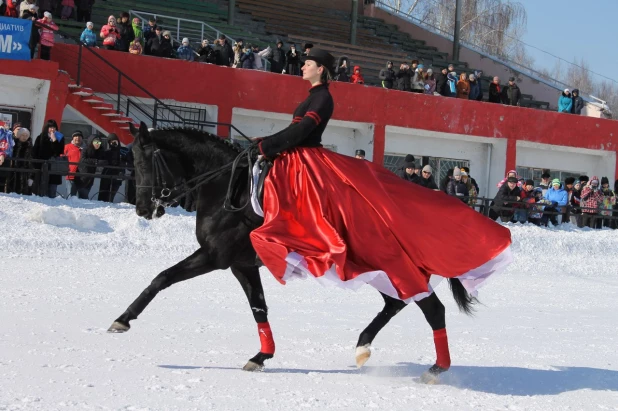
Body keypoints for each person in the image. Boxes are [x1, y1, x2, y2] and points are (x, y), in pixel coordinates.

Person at [249, 50, 512, 376]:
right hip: (299, 163)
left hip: (312, 166)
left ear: (321, 69)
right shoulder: (312, 96)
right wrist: (267, 143)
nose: (302, 65)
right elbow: (293, 134)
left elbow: (301, 134)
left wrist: (265, 145)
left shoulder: (323, 98)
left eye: (308, 62)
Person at [32, 119, 65, 198]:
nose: (52, 129)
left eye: (54, 127)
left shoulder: (60, 137)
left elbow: (59, 152)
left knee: (52, 190)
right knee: (41, 189)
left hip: (54, 166)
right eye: (50, 127)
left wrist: (54, 141)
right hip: (42, 166)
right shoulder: (40, 137)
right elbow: (35, 152)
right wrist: (36, 166)